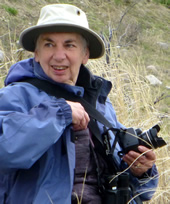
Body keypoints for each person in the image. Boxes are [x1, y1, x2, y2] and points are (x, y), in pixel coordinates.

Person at [0, 4, 158, 204]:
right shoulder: (15, 96)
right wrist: (60, 113)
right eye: (49, 44)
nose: (59, 55)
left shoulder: (99, 102)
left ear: (85, 55)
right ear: (36, 54)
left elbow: (142, 193)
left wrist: (142, 172)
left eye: (69, 45)